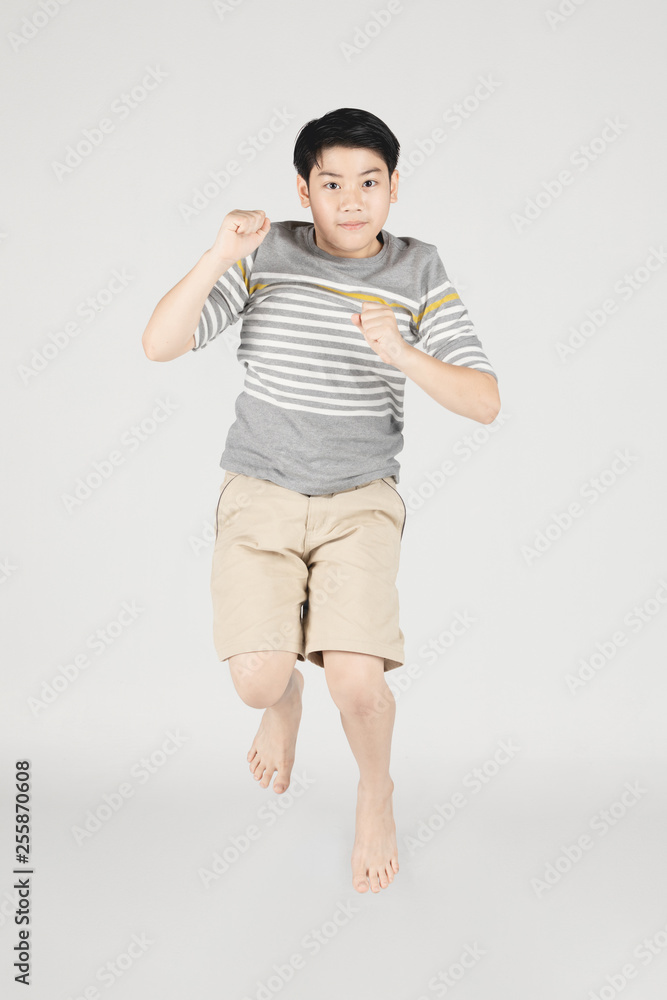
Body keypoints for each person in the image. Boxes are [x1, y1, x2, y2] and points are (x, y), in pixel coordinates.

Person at [141, 107, 500, 894]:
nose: (350, 200)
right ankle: (284, 703)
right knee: (257, 681)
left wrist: (402, 352)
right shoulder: (267, 253)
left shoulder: (417, 269)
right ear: (303, 189)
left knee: (360, 683)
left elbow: (483, 401)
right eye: (331, 183)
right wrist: (216, 255)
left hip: (358, 501)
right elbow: (159, 344)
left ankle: (377, 791)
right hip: (260, 493)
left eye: (368, 183)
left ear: (394, 188)